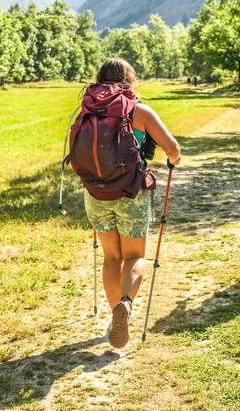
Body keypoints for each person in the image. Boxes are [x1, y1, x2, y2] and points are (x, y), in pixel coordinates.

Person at [66, 57, 181, 348]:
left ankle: (113, 313)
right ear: (129, 79)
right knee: (135, 257)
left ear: (100, 79)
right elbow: (173, 149)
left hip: (96, 193)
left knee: (111, 257)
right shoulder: (138, 110)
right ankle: (126, 306)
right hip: (131, 194)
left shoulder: (86, 110)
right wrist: (172, 160)